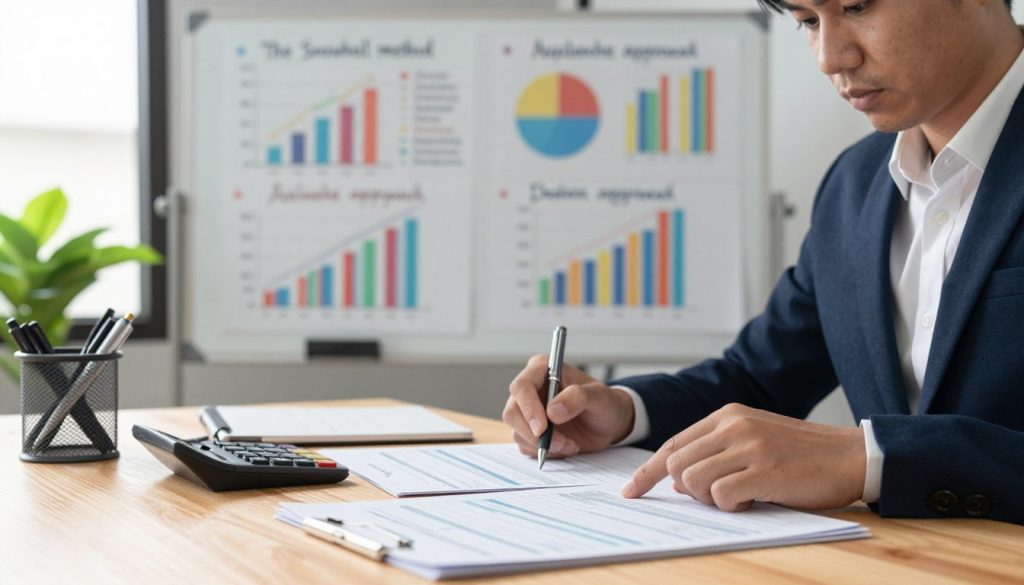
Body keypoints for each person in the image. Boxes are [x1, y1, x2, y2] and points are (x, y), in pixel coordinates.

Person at [504, 0, 1024, 525]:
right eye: (807, 21)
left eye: (857, 6)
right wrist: (622, 411)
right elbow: (759, 379)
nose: (829, 58)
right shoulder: (855, 184)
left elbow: (882, 452)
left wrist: (868, 459)